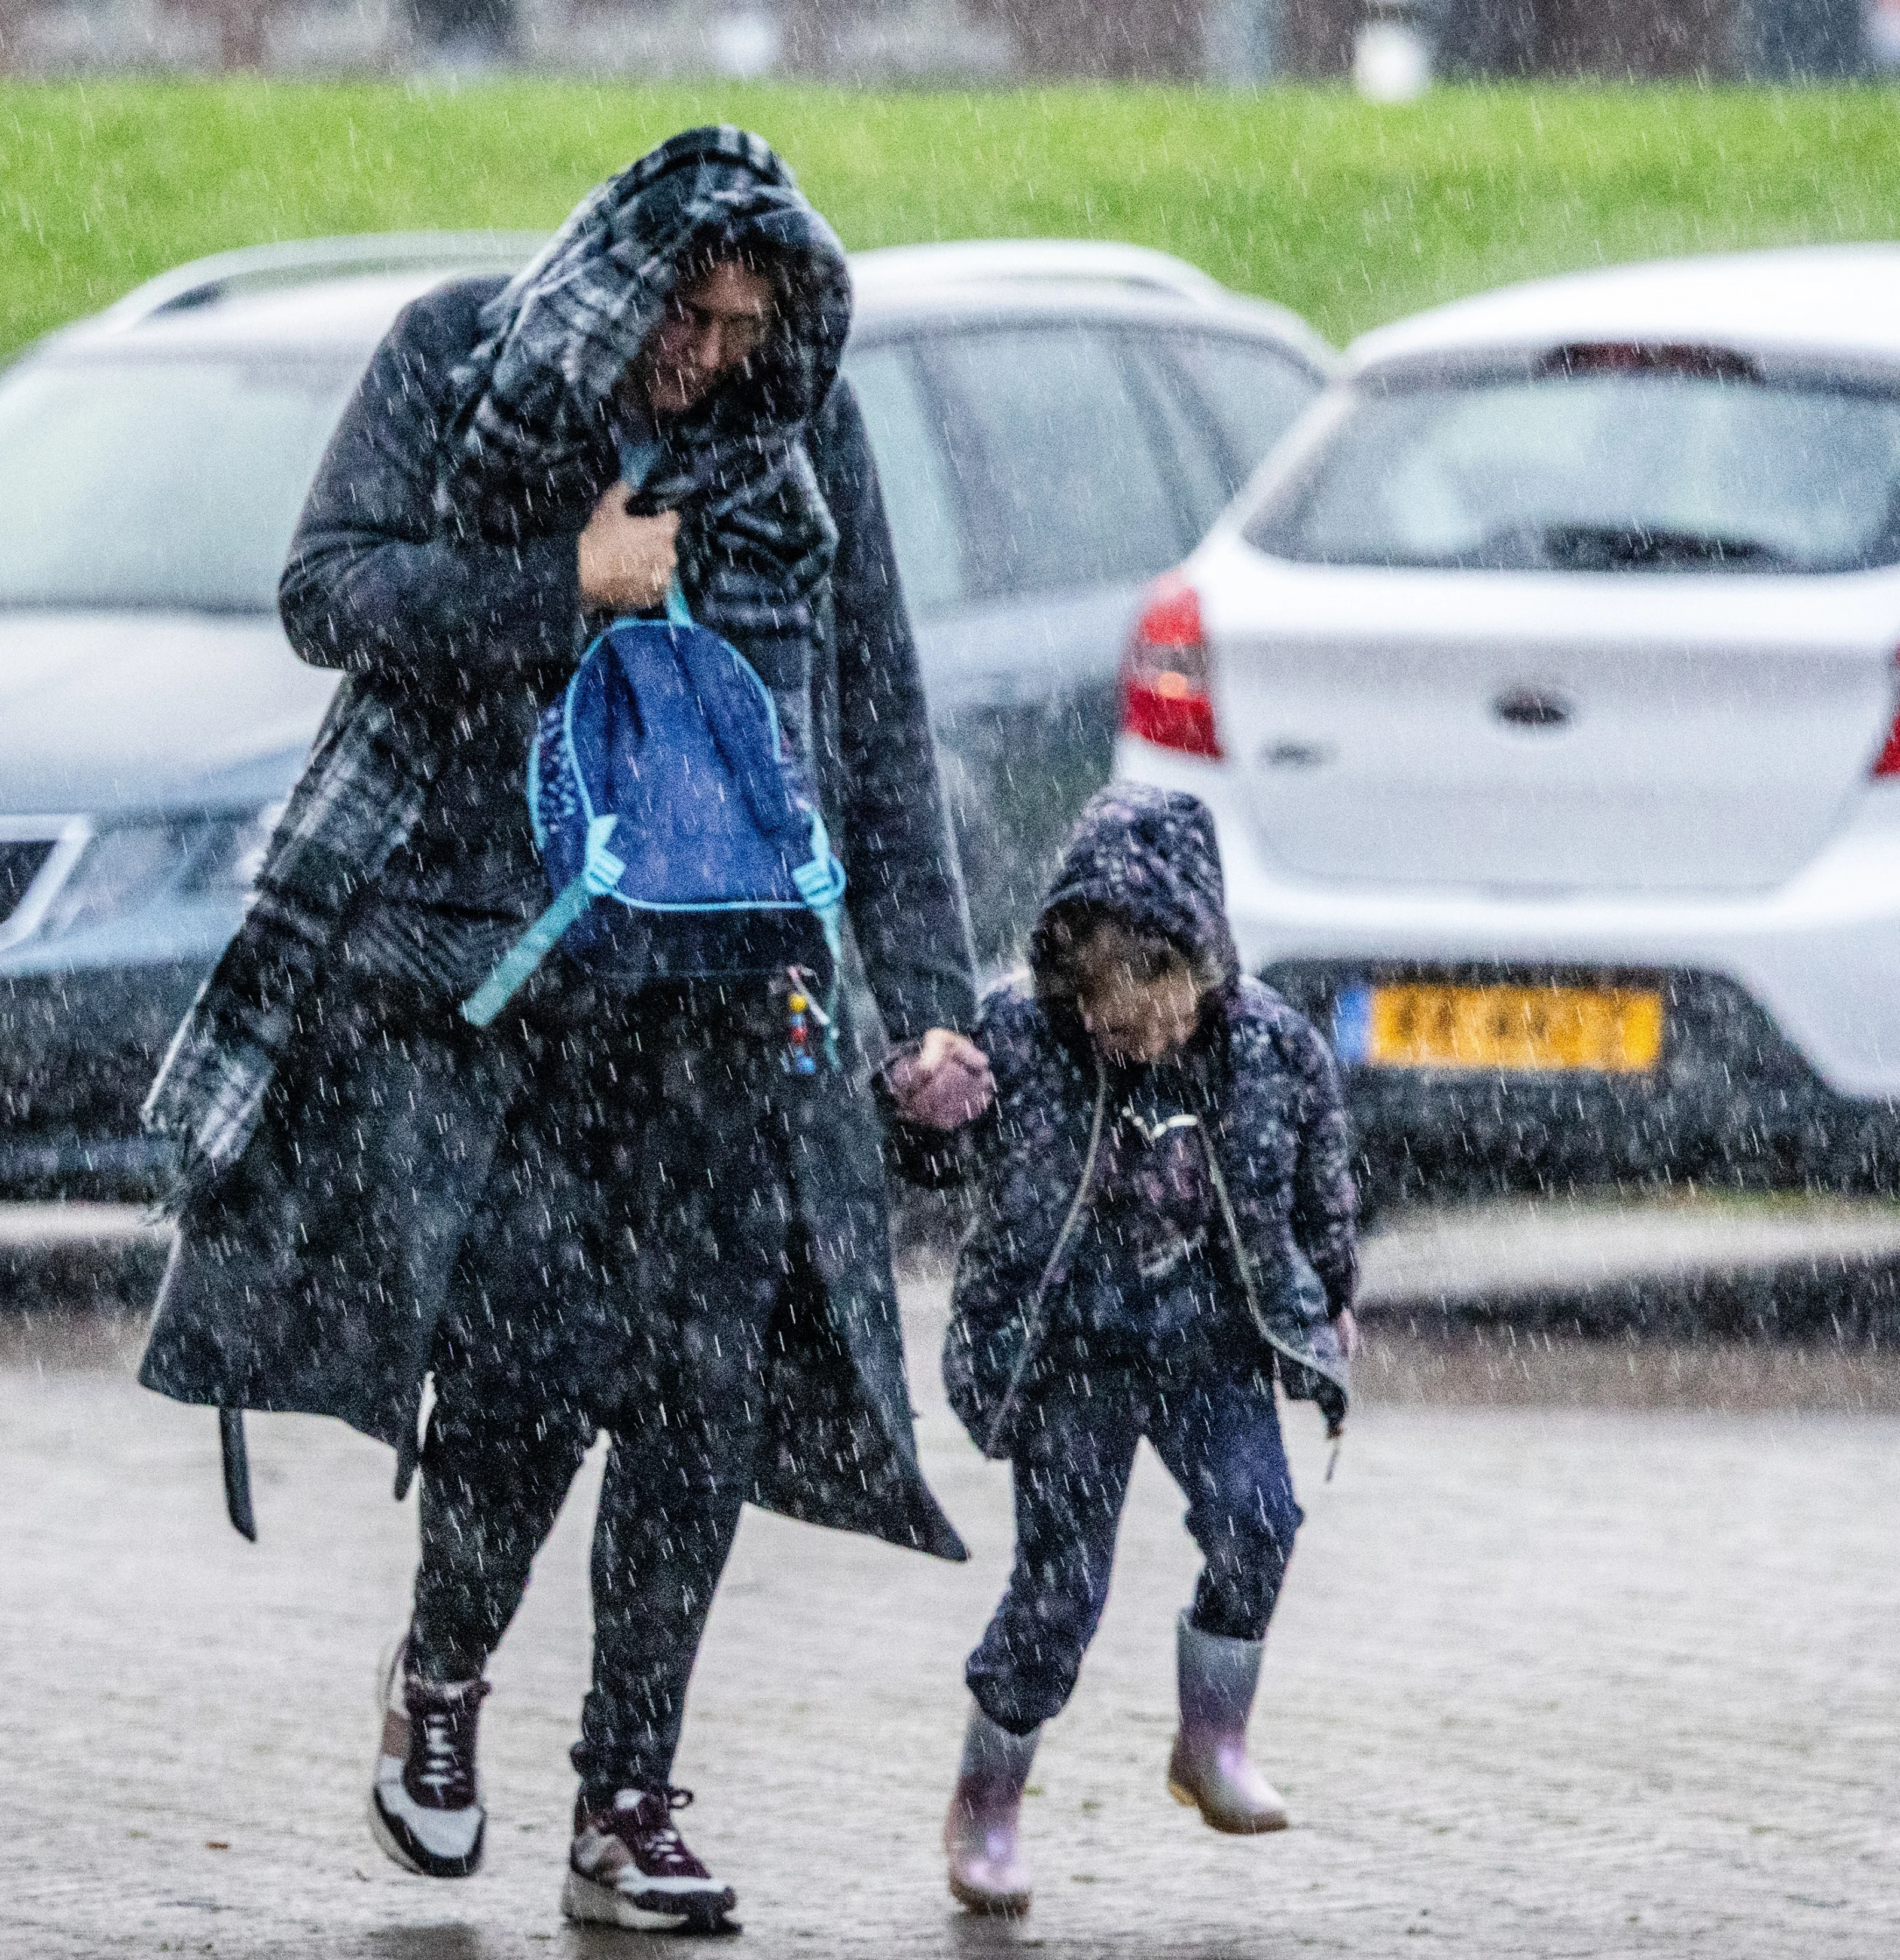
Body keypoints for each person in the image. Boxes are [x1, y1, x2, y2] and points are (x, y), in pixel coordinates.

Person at [136, 127, 993, 1934]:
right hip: (490, 981)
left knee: (699, 1386)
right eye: (680, 313)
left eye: (740, 323)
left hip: (727, 983)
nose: (701, 354)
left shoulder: (794, 436)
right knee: (532, 1354)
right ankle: (442, 1677)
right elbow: (329, 591)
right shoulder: (455, 360)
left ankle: (625, 1795)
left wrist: (921, 998)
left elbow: (874, 725)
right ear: (617, 282)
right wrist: (559, 588)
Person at [914, 784, 1357, 1916]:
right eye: (1111, 1010)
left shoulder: (1272, 1047)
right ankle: (989, 1800)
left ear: (1203, 963)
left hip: (1209, 1342)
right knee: (1061, 1587)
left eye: (1161, 1001)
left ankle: (1212, 1737)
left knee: (1261, 1520)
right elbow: (926, 1159)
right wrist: (917, 1107)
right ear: (1070, 980)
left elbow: (1322, 1176)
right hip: (1072, 1356)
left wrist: (1333, 1290)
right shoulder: (1016, 1035)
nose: (1143, 1030)